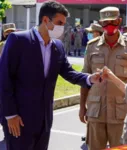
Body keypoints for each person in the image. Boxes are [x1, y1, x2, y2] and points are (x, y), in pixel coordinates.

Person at [0, 2, 101, 150]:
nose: (62, 27)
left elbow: (68, 72)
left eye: (64, 24)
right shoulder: (18, 40)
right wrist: (10, 115)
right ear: (46, 20)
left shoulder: (57, 46)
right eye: (60, 23)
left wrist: (89, 78)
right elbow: (4, 79)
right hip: (19, 119)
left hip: (44, 120)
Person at [80, 6, 127, 149]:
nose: (109, 26)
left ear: (120, 21)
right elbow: (84, 79)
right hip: (95, 112)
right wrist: (81, 107)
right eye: (105, 23)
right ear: (100, 23)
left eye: (113, 22)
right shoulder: (92, 47)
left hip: (121, 113)